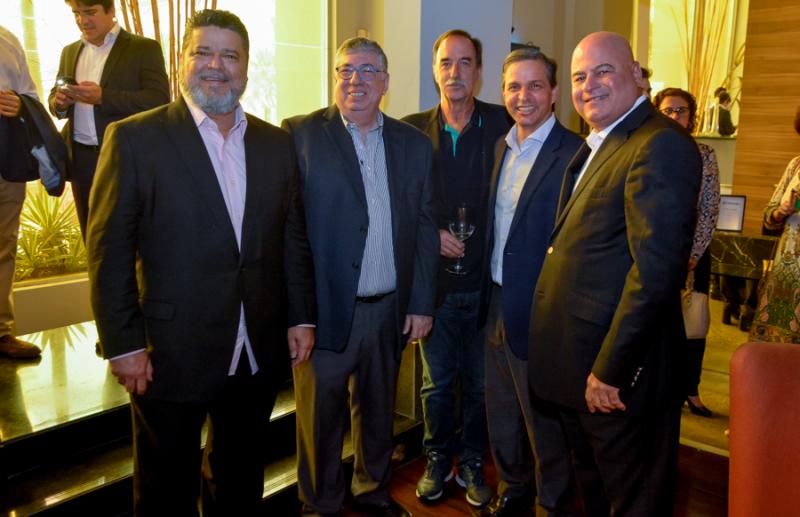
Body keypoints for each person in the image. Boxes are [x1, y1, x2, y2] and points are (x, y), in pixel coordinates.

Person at [86, 9, 316, 515]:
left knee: (240, 483)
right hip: (169, 353)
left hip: (254, 349)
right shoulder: (134, 139)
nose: (217, 65)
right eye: (203, 52)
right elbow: (108, 251)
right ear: (181, 62)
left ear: (246, 67)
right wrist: (124, 344)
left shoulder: (275, 144)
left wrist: (300, 316)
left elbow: (291, 238)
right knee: (165, 490)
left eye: (230, 55)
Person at [529, 32, 702, 515]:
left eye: (603, 71)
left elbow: (656, 273)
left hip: (619, 379)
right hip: (582, 370)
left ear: (637, 75)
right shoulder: (603, 142)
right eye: (579, 76)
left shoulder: (659, 144)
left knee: (634, 500)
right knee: (598, 495)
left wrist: (612, 369)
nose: (590, 85)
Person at [283, 37, 438, 517]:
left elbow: (425, 225)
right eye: (345, 69)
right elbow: (289, 233)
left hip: (388, 309)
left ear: (385, 82)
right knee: (320, 420)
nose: (356, 79)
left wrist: (421, 302)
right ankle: (320, 505)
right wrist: (298, 315)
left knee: (377, 413)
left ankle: (371, 492)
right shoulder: (300, 135)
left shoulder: (414, 144)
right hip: (325, 312)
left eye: (368, 70)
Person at [401, 29, 508, 507]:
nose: (455, 72)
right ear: (434, 70)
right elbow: (398, 208)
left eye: (465, 62)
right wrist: (430, 237)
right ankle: (437, 458)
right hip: (435, 291)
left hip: (487, 288)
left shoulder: (505, 125)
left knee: (482, 387)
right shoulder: (409, 133)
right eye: (446, 62)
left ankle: (472, 462)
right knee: (437, 385)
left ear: (479, 72)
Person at [479, 47, 582, 517]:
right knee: (501, 408)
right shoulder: (501, 147)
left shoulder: (576, 154)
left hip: (543, 310)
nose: (524, 96)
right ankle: (513, 487)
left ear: (555, 92)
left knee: (543, 419)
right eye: (514, 87)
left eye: (535, 86)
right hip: (495, 300)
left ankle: (551, 502)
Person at [48, 0, 170, 237]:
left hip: (127, 159)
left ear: (111, 10)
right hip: (82, 160)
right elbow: (55, 98)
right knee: (92, 236)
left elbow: (159, 100)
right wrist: (59, 103)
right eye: (76, 14)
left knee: (133, 237)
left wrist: (103, 97)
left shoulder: (143, 48)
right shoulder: (69, 52)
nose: (82, 21)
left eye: (90, 12)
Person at [654, 87, 721, 418]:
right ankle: (661, 388)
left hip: (694, 253)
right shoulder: (650, 149)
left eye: (681, 110)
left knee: (694, 326)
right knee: (657, 326)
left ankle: (691, 390)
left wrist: (692, 256)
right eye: (668, 110)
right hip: (655, 253)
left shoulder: (704, 153)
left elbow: (709, 208)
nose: (675, 116)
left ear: (692, 117)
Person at [0, 26, 41, 359]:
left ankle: (1, 332)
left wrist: (20, 104)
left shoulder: (8, 39)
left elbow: (31, 96)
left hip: (7, 159)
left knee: (4, 248)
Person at [750, 106, 800, 344]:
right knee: (777, 346)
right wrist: (781, 211)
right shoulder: (796, 165)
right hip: (787, 270)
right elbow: (768, 216)